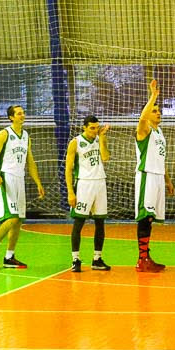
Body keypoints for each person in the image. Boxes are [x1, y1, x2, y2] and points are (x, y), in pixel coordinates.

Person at [0, 105, 45, 268]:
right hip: (6, 177)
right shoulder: (4, 134)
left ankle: (9, 257)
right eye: (19, 113)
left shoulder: (26, 135)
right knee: (11, 217)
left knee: (18, 220)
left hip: (20, 178)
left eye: (23, 113)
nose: (22, 115)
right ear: (11, 117)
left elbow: (30, 162)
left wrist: (38, 182)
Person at [134, 79, 175, 272]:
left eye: (159, 111)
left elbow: (162, 160)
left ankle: (146, 257)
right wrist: (153, 96)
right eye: (155, 110)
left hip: (158, 176)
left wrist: (168, 181)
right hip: (147, 176)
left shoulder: (160, 133)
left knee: (151, 219)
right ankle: (142, 259)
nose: (158, 113)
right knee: (145, 217)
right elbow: (142, 119)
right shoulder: (144, 130)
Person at [64, 115, 111, 273]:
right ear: (84, 127)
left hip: (100, 182)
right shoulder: (75, 142)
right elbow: (68, 169)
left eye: (97, 127)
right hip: (84, 183)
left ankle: (97, 259)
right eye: (92, 128)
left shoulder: (99, 139)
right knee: (79, 223)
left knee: (100, 223)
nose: (94, 130)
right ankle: (75, 259)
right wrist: (70, 191)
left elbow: (105, 157)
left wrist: (102, 137)